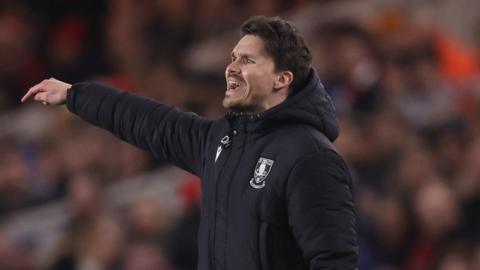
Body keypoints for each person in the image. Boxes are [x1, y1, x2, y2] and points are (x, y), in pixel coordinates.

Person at [22, 16, 358, 270]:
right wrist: (75, 95)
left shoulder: (310, 156)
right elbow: (147, 121)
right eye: (233, 57)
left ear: (282, 79)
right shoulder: (220, 142)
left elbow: (334, 261)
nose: (231, 68)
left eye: (247, 60)